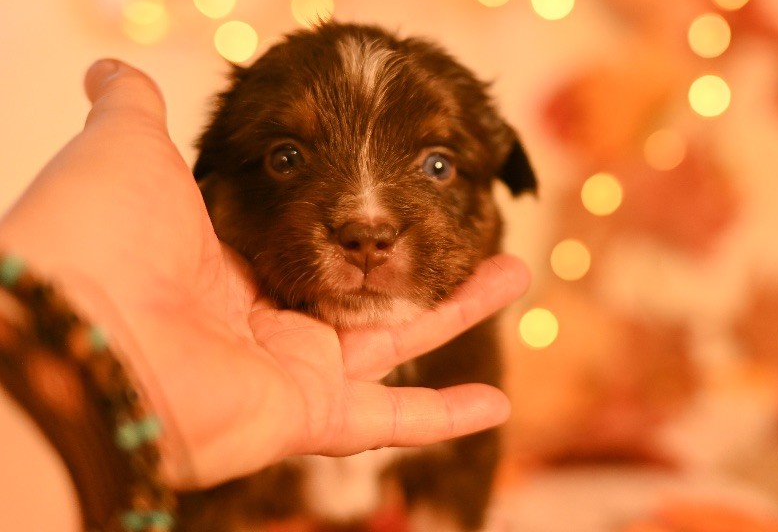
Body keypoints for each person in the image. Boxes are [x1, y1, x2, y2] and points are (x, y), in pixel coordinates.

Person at [0, 59, 530, 529]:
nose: (367, 225)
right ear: (206, 179)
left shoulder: (464, 352)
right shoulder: (214, 349)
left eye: (437, 165)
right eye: (287, 159)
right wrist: (86, 344)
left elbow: (462, 484)